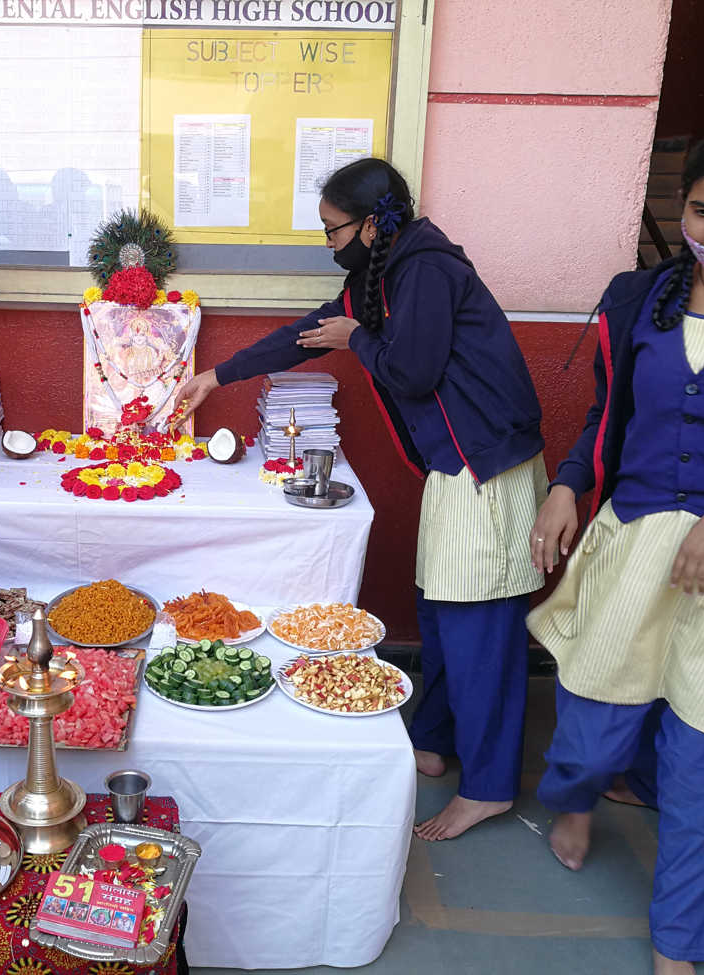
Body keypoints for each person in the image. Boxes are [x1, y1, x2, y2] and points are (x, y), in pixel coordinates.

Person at [172, 157, 547, 841]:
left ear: (374, 223)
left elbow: (413, 368)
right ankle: (434, 741)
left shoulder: (427, 268)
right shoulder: (377, 275)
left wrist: (359, 340)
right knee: (440, 611)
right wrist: (214, 377)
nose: (328, 242)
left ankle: (489, 784)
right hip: (452, 467)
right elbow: (303, 336)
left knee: (480, 629)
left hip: (486, 466)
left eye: (332, 228)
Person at [527, 118, 704, 975]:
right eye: (700, 211)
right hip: (633, 553)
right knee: (590, 727)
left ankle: (678, 945)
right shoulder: (637, 299)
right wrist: (565, 484)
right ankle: (576, 798)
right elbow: (605, 423)